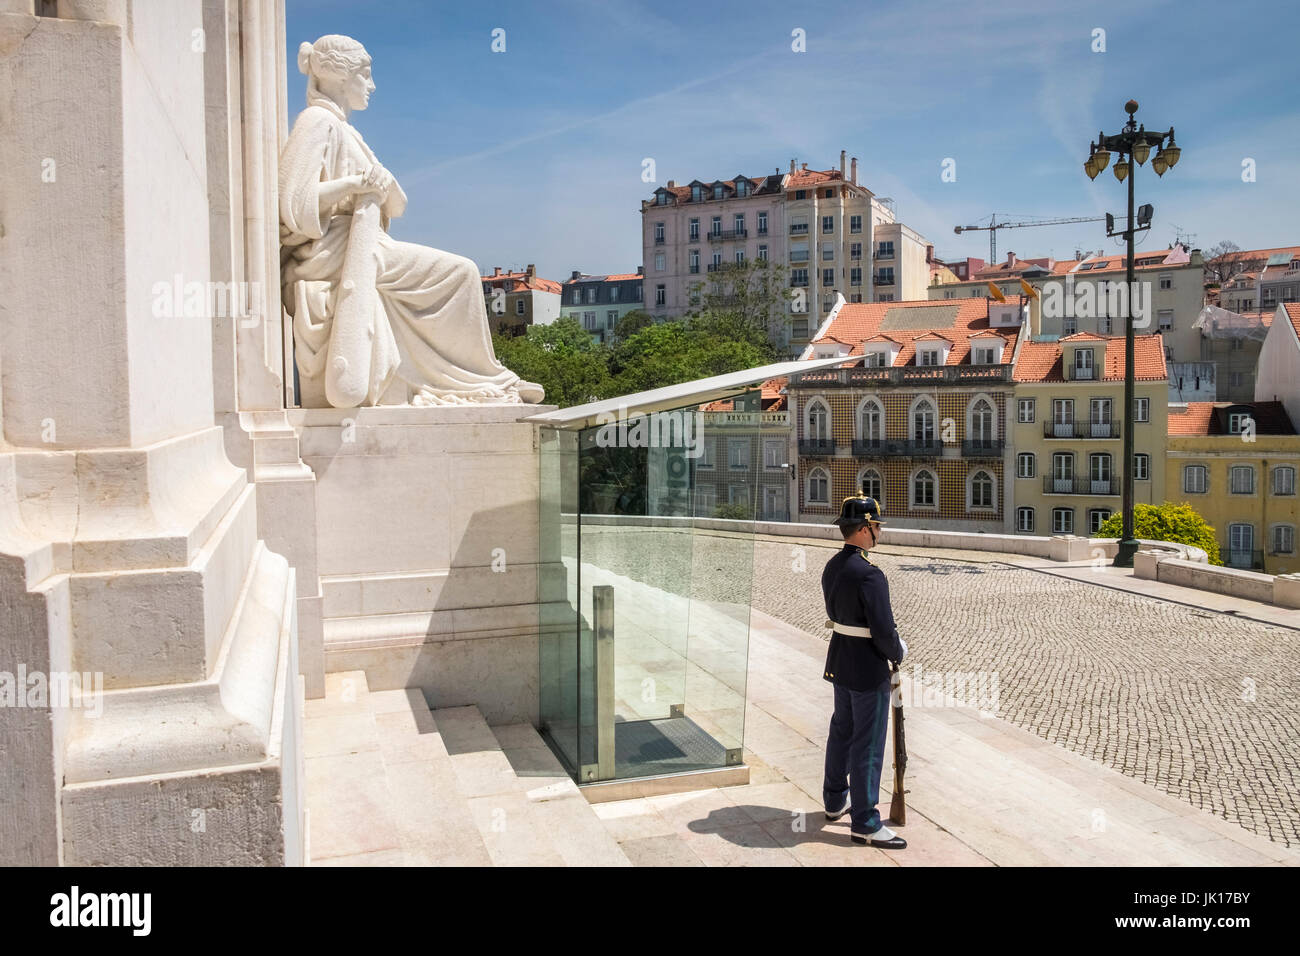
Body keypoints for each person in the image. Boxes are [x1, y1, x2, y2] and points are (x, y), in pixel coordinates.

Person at [279, 34, 544, 408]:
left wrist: (377, 186)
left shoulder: (347, 132)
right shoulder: (316, 122)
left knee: (462, 273)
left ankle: (473, 380)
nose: (371, 85)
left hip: (364, 243)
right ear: (340, 75)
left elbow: (397, 205)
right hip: (335, 249)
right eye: (365, 74)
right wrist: (354, 185)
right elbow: (293, 202)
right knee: (462, 273)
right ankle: (476, 382)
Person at [821, 487, 908, 849]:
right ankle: (866, 822)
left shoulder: (833, 566)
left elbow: (834, 614)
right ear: (865, 528)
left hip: (841, 661)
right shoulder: (870, 574)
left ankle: (834, 800)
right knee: (868, 744)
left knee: (842, 730)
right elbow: (883, 630)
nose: (880, 532)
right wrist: (898, 651)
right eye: (877, 525)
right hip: (868, 667)